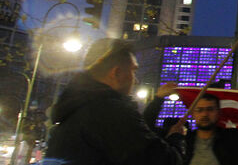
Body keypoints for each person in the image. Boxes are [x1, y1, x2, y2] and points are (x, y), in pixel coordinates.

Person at [44, 38, 186, 164]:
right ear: (116, 73)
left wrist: (157, 100)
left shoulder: (75, 109)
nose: (135, 80)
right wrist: (176, 137)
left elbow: (139, 137)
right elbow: (162, 159)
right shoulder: (110, 113)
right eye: (133, 71)